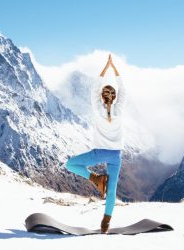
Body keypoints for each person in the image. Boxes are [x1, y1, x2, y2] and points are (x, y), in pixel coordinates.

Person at [65, 54, 126, 233]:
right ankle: (105, 223)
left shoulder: (97, 108)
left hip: (99, 153)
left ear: (102, 97)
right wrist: (114, 69)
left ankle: (96, 179)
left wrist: (105, 68)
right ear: (114, 98)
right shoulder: (120, 109)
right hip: (115, 155)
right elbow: (123, 89)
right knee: (112, 189)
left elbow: (94, 89)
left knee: (70, 164)